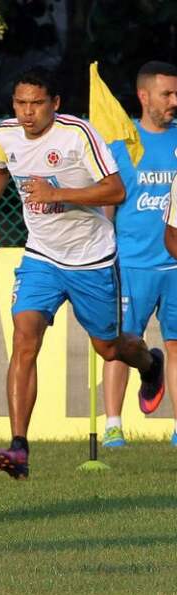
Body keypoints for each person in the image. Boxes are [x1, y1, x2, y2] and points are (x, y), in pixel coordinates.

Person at [0, 66, 164, 480]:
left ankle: (151, 365)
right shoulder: (6, 134)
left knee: (110, 348)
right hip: (40, 256)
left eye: (37, 104)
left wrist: (57, 192)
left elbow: (116, 191)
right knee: (24, 335)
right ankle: (19, 446)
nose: (28, 113)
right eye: (21, 103)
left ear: (54, 104)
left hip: (91, 259)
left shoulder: (78, 134)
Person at [102, 61, 177, 448]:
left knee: (176, 345)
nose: (174, 101)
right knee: (119, 344)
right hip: (131, 264)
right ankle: (113, 424)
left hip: (176, 264)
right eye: (167, 94)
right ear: (144, 96)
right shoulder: (121, 146)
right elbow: (108, 207)